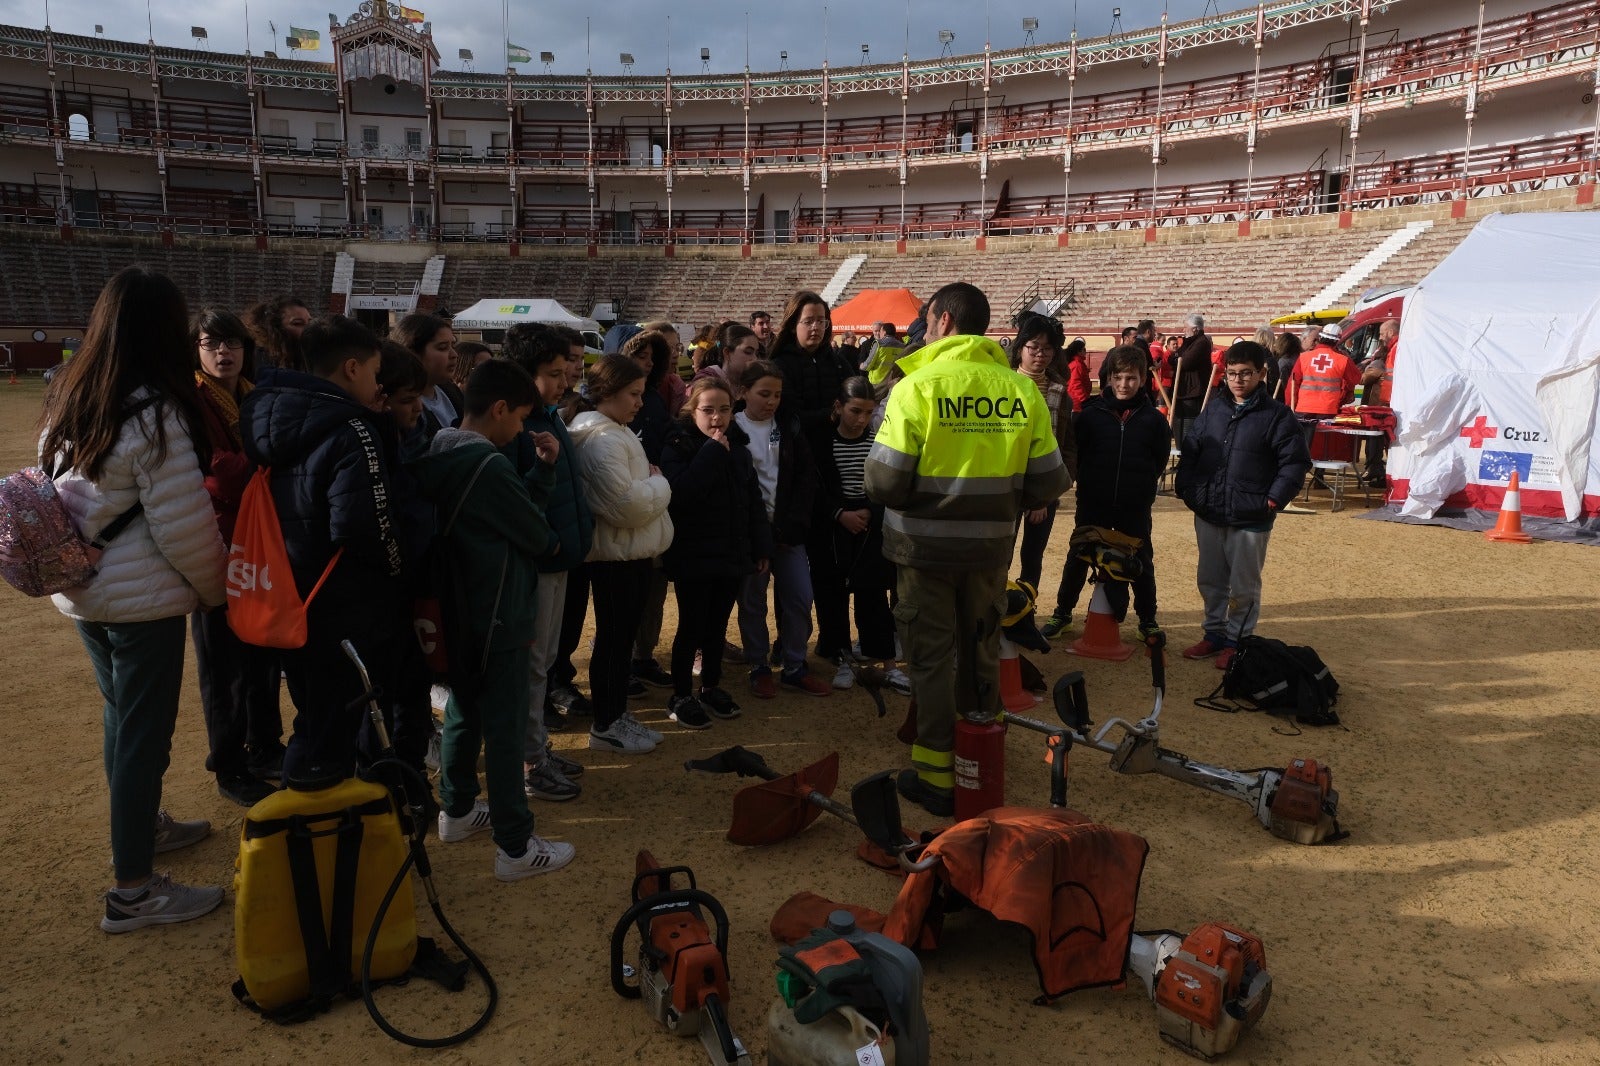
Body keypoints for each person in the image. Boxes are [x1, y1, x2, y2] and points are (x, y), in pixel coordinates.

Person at [40, 266, 229, 931]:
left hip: (84, 587)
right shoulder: (155, 411)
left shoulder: (72, 392)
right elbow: (183, 524)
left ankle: (141, 828)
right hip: (139, 598)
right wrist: (215, 591)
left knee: (122, 719)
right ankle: (133, 891)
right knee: (142, 734)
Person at [864, 282, 1071, 818]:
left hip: (922, 553)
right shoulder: (1021, 390)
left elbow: (883, 483)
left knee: (932, 661)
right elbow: (1049, 482)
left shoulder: (916, 386)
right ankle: (980, 763)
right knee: (981, 651)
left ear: (944, 321)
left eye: (928, 321)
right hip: (988, 555)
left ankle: (937, 779)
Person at [409, 359, 575, 881]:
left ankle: (456, 811)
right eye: (521, 418)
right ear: (499, 408)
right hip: (500, 609)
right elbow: (537, 535)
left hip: (459, 608)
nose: (523, 429)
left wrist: (536, 477)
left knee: (464, 710)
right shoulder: (489, 465)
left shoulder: (435, 450)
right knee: (504, 725)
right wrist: (544, 477)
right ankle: (515, 844)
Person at [240, 315, 406, 781]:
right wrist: (397, 571)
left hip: (290, 594)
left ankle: (311, 812)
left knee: (312, 716)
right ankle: (317, 830)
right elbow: (363, 526)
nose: (378, 383)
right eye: (375, 371)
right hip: (342, 603)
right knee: (332, 725)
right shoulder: (352, 429)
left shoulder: (267, 417)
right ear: (352, 368)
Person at [187, 307, 281, 807]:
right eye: (211, 344)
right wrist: (269, 459)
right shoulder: (193, 399)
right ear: (197, 351)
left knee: (262, 651)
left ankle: (264, 745)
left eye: (232, 344)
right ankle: (229, 763)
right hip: (216, 543)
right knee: (222, 664)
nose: (224, 353)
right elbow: (218, 472)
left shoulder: (250, 394)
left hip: (256, 538)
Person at [1174, 341, 1310, 671]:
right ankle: (1214, 633)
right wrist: (1187, 489)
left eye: (1245, 373)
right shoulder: (1214, 409)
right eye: (1232, 373)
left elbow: (1294, 462)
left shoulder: (1277, 416)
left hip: (1251, 515)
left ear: (1262, 374)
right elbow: (1192, 450)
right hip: (1209, 509)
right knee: (1210, 578)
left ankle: (1238, 641)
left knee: (1244, 585)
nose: (1237, 380)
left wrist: (1273, 500)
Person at [502, 324, 594, 802]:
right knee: (533, 666)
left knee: (544, 661)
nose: (564, 381)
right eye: (553, 373)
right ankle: (530, 762)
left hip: (557, 557)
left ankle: (537, 749)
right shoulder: (519, 425)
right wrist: (551, 543)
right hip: (539, 561)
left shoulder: (550, 415)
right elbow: (522, 499)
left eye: (565, 372)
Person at [567, 355, 674, 754]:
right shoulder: (602, 440)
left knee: (619, 639)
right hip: (617, 557)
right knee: (613, 641)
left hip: (627, 553)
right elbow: (626, 505)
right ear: (607, 393)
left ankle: (614, 714)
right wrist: (661, 485)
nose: (639, 403)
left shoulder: (613, 432)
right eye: (633, 394)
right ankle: (607, 723)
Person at [660, 373, 773, 727]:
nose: (716, 417)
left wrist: (759, 546)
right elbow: (681, 496)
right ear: (691, 411)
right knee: (691, 627)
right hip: (693, 557)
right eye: (707, 410)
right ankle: (681, 694)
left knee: (717, 628)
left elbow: (752, 501)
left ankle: (709, 687)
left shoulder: (738, 449)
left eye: (724, 409)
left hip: (731, 554)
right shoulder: (677, 445)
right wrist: (710, 453)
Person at [1039, 346, 1171, 641]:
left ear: (1141, 379)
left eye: (1131, 378)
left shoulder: (1153, 420)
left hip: (1133, 505)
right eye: (1118, 377)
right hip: (1094, 501)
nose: (1124, 385)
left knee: (1141, 560)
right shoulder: (1088, 415)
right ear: (1108, 378)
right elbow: (1077, 454)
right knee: (1078, 556)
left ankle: (1147, 619)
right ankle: (1063, 612)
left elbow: (1159, 460)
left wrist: (1143, 487)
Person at [804, 376, 908, 694]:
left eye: (867, 412)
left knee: (873, 596)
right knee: (832, 596)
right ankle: (844, 660)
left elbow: (886, 485)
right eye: (854, 411)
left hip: (869, 525)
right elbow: (814, 487)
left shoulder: (877, 441)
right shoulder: (822, 443)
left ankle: (888, 665)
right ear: (839, 407)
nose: (860, 419)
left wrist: (868, 512)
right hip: (832, 529)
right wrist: (839, 514)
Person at [736, 359, 827, 697]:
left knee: (800, 598)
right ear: (743, 392)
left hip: (789, 535)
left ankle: (794, 665)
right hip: (750, 538)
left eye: (776, 394)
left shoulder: (789, 426)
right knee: (752, 601)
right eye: (763, 394)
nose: (771, 401)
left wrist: (794, 525)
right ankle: (759, 665)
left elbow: (806, 480)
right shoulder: (731, 428)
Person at [620, 329, 676, 692]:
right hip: (625, 506)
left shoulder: (654, 400)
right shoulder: (603, 408)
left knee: (653, 590)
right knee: (625, 594)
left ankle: (643, 657)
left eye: (652, 358)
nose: (648, 362)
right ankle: (620, 661)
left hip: (656, 501)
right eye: (641, 354)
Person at [1010, 314, 1079, 597]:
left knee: (1032, 556)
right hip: (1006, 485)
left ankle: (1025, 612)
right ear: (1020, 349)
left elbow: (1067, 446)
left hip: (1045, 487)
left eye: (1047, 349)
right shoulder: (1002, 385)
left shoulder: (1060, 392)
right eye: (1033, 347)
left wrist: (1045, 494)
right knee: (1000, 555)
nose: (1040, 354)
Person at [770, 290, 857, 431]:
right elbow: (789, 413)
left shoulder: (838, 362)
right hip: (797, 446)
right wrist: (832, 414)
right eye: (808, 321)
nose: (816, 327)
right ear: (793, 325)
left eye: (821, 321)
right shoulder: (779, 365)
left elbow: (854, 399)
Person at [391, 312, 464, 434]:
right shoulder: (401, 405)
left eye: (453, 346)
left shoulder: (452, 391)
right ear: (412, 352)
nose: (454, 355)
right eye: (442, 347)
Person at [1287, 323, 1361, 418]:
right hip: (1328, 410)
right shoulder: (1343, 360)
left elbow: (1292, 384)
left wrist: (1289, 406)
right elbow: (1356, 379)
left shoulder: (1304, 357)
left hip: (1303, 409)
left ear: (1320, 338)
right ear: (1337, 340)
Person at [1170, 313, 1214, 446]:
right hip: (1183, 389)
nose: (1183, 330)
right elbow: (1174, 358)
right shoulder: (1189, 342)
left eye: (1186, 327)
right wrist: (1177, 358)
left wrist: (1177, 358)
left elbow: (1185, 362)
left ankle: (1187, 454)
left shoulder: (1202, 342)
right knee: (1179, 422)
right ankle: (1180, 452)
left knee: (1189, 424)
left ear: (1195, 329)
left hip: (1193, 391)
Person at [244, 294, 311, 371]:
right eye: (297, 324)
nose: (308, 329)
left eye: (309, 323)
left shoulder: (308, 358)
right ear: (275, 328)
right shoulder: (260, 359)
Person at [717, 323, 763, 397]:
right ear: (727, 353)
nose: (755, 359)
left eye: (756, 353)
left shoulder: (754, 384)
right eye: (748, 352)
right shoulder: (708, 385)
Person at [861, 321, 904, 385]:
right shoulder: (902, 345)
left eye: (880, 331)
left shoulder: (879, 343)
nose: (879, 333)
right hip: (893, 380)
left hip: (878, 380)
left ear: (884, 332)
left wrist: (862, 366)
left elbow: (869, 363)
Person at [1060, 337, 1092, 412]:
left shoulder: (1077, 363)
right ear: (1079, 352)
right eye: (1084, 349)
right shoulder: (1077, 364)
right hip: (1077, 403)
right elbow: (1075, 385)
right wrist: (1084, 400)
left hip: (1076, 401)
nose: (1085, 352)